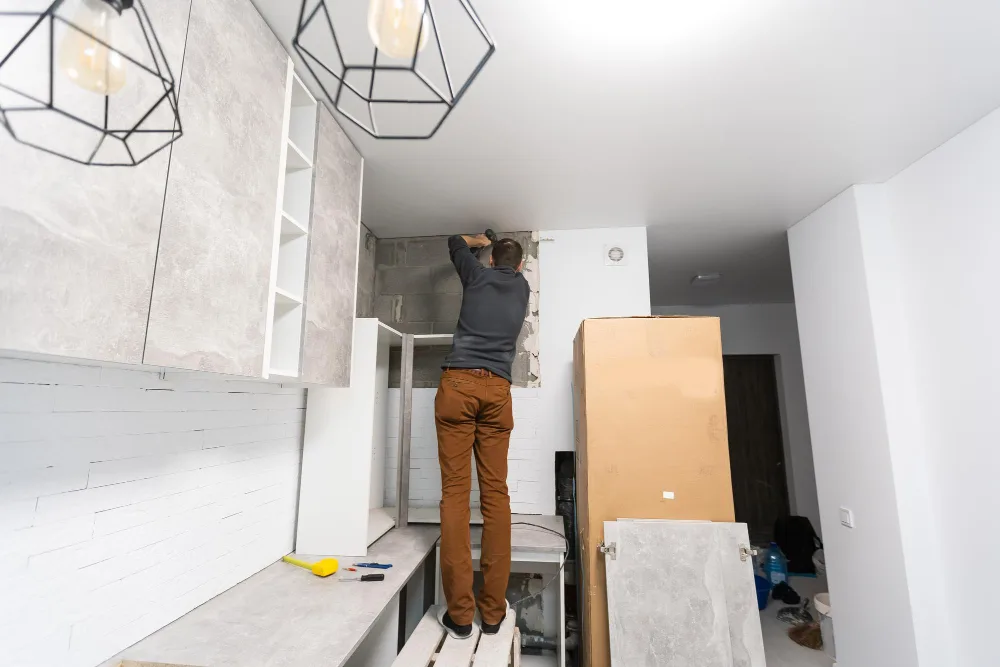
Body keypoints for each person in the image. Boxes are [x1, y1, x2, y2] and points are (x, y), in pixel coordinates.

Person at [435, 233, 529, 639]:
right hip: (498, 391)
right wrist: (490, 250)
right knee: (496, 496)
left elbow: (454, 243)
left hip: (459, 384)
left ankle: (460, 616)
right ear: (520, 267)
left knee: (456, 496)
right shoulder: (522, 287)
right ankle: (492, 614)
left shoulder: (475, 275)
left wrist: (475, 241)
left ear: (490, 261)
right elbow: (500, 271)